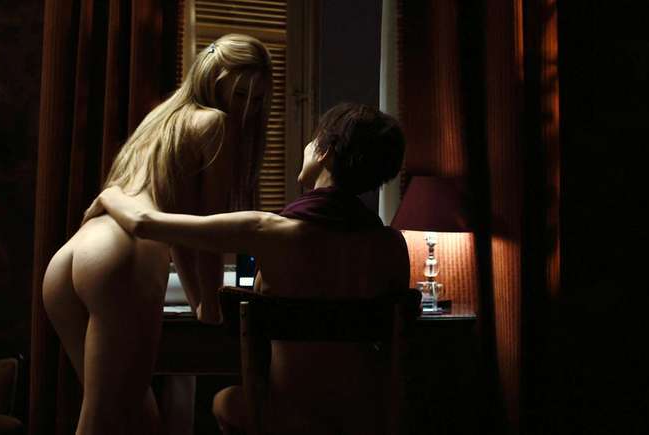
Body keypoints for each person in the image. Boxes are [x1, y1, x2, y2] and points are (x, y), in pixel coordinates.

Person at [85, 102, 410, 434]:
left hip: (289, 420)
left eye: (313, 140)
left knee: (226, 401)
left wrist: (110, 194)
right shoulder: (393, 246)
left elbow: (143, 223)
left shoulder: (269, 231)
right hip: (366, 421)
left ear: (324, 152)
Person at [41, 33, 272, 435]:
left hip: (75, 255)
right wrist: (210, 305)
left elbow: (175, 216)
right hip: (123, 257)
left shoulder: (163, 116)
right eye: (241, 96)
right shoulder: (215, 124)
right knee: (101, 419)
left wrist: (198, 299)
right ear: (215, 82)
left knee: (136, 415)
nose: (248, 110)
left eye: (256, 101)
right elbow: (205, 227)